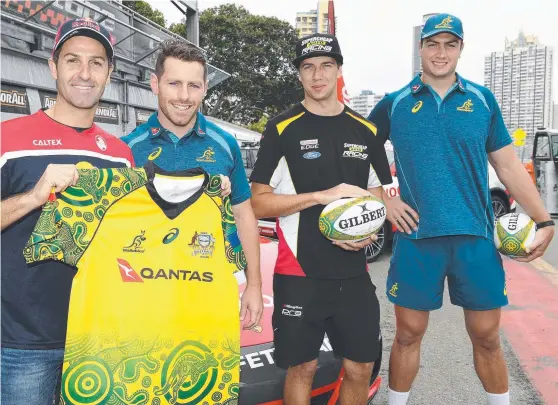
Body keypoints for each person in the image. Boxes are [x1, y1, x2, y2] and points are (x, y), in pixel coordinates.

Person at [367, 14, 555, 405]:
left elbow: (506, 165)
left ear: (461, 49)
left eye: (450, 44)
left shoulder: (482, 100)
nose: (441, 53)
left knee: (487, 337)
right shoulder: (394, 103)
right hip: (418, 238)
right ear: (420, 48)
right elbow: (359, 155)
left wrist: (543, 219)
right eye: (433, 44)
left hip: (475, 237)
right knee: (407, 335)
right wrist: (386, 198)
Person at [250, 33, 393, 405]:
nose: (317, 75)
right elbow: (258, 203)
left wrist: (368, 227)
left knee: (361, 367)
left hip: (354, 275)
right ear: (299, 74)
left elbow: (380, 195)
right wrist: (318, 198)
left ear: (339, 70)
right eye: (308, 67)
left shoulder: (367, 131)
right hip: (299, 273)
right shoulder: (281, 129)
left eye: (326, 66)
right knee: (303, 369)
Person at [0, 18, 134, 405]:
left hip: (99, 337)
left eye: (96, 63)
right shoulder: (9, 139)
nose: (84, 73)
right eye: (73, 60)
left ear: (109, 73)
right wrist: (32, 197)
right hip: (21, 343)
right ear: (53, 66)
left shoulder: (121, 156)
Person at [121, 39, 263, 330]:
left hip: (208, 294)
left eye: (194, 86)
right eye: (174, 83)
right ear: (155, 83)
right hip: (139, 297)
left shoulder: (226, 145)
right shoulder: (125, 149)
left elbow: (244, 215)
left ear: (205, 88)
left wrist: (254, 285)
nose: (184, 96)